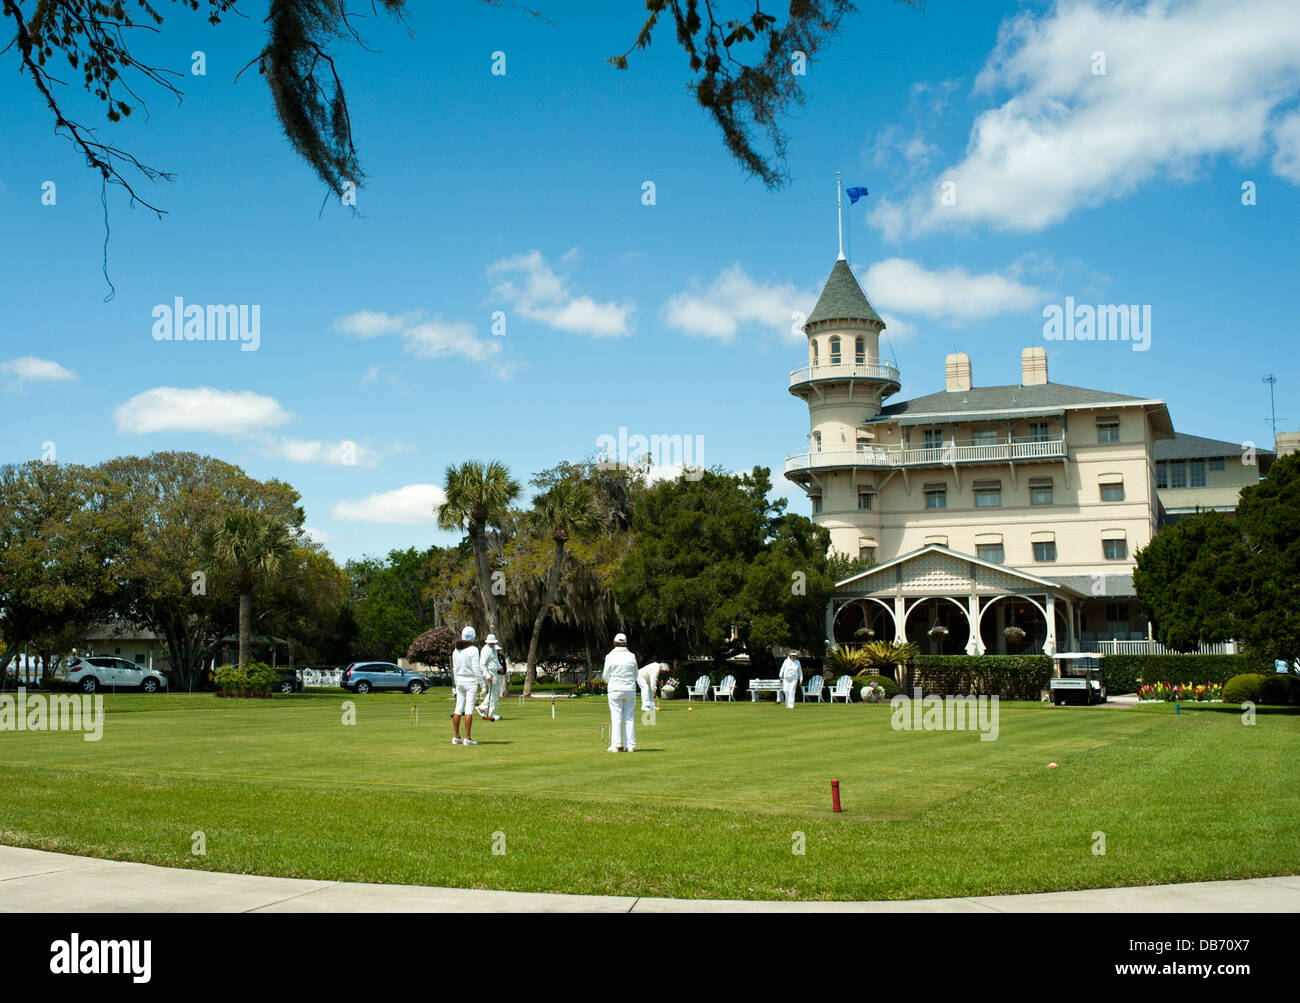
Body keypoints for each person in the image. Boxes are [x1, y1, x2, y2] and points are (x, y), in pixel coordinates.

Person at [602, 632, 639, 752]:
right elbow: (636, 673)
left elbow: (605, 675)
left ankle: (616, 745)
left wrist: (610, 682)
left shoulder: (610, 656)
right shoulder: (632, 656)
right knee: (629, 717)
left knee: (616, 717)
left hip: (615, 690)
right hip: (630, 690)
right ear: (626, 643)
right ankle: (631, 745)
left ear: (614, 643)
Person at [451, 626, 484, 746]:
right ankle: (467, 738)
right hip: (470, 682)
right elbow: (476, 669)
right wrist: (482, 684)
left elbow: (454, 668)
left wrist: (455, 683)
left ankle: (456, 736)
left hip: (459, 681)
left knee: (458, 708)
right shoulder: (473, 649)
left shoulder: (456, 650)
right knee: (469, 709)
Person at [476, 634, 505, 721]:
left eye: (494, 642)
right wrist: (487, 675)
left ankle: (482, 708)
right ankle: (492, 713)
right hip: (490, 673)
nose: (493, 644)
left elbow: (495, 660)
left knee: (494, 693)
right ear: (488, 642)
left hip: (495, 672)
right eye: (491, 643)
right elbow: (482, 664)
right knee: (494, 694)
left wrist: (500, 667)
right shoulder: (485, 650)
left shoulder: (493, 649)